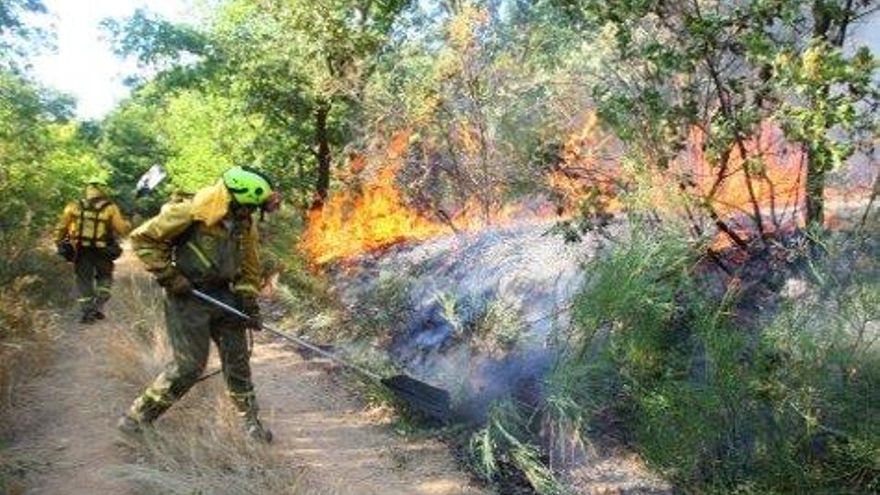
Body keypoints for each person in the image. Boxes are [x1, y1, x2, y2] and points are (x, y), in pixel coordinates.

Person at [118, 166, 281, 443]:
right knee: (189, 366)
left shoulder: (244, 223)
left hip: (225, 297)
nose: (250, 213)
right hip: (189, 297)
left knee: (238, 362)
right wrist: (169, 276)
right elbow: (142, 239)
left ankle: (251, 425)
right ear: (236, 197)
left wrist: (248, 303)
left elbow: (249, 264)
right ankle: (137, 418)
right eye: (249, 207)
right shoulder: (191, 212)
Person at [54, 175, 131, 323]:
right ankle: (99, 304)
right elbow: (122, 229)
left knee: (84, 280)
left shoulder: (73, 206)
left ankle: (87, 312)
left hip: (81, 250)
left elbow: (62, 227)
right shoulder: (110, 208)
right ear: (103, 190)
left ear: (88, 189)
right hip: (104, 250)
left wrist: (58, 241)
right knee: (105, 277)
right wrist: (128, 224)